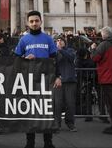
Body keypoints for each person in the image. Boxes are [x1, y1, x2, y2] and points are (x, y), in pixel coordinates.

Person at [14, 11, 61, 148]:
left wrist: (58, 76)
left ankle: (48, 142)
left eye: (36, 21)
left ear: (41, 22)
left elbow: (55, 59)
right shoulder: (23, 40)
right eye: (32, 21)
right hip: (29, 81)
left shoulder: (48, 38)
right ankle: (30, 142)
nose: (34, 23)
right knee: (30, 112)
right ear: (28, 23)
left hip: (47, 80)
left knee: (47, 112)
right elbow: (16, 59)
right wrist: (24, 59)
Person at [55, 37, 77, 132]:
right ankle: (57, 124)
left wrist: (61, 50)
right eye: (57, 41)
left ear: (65, 42)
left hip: (69, 80)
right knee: (57, 104)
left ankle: (70, 123)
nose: (59, 42)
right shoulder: (54, 52)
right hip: (58, 80)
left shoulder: (70, 50)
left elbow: (71, 57)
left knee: (70, 103)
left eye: (61, 40)